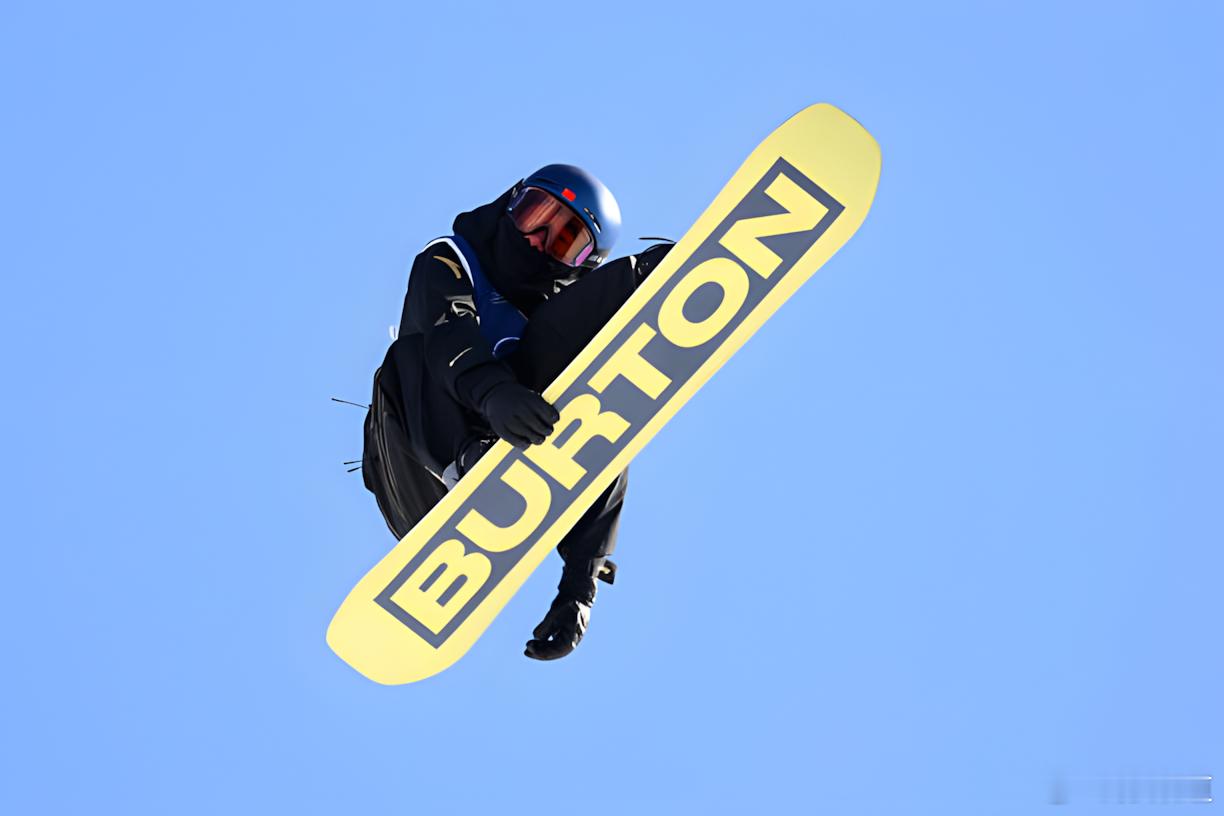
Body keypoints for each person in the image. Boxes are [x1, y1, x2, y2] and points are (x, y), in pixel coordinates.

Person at [361, 164, 671, 661]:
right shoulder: (450, 259)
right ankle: (471, 466)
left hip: (511, 426)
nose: (536, 239)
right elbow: (447, 333)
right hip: (417, 462)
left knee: (591, 382)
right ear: (512, 204)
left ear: (580, 265)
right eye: (535, 215)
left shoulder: (551, 319)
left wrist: (579, 589)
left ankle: (657, 284)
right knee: (408, 357)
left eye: (563, 240)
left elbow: (606, 430)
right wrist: (493, 395)